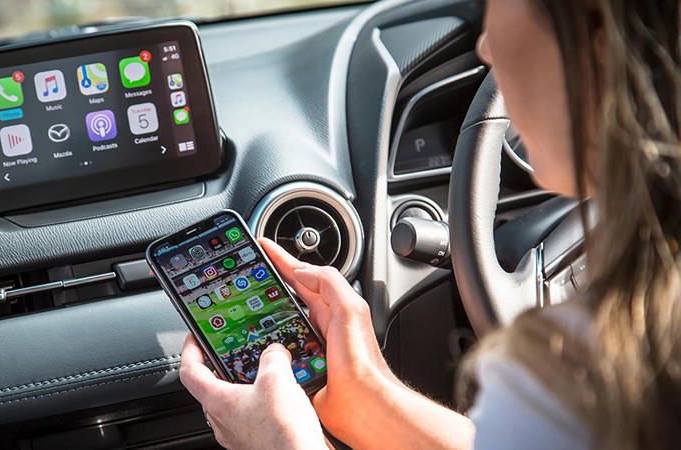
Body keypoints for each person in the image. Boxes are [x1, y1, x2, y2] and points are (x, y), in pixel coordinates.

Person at [179, 1, 681, 448]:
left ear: (598, 36)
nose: (484, 47)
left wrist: (283, 444)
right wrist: (370, 394)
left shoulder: (568, 372)